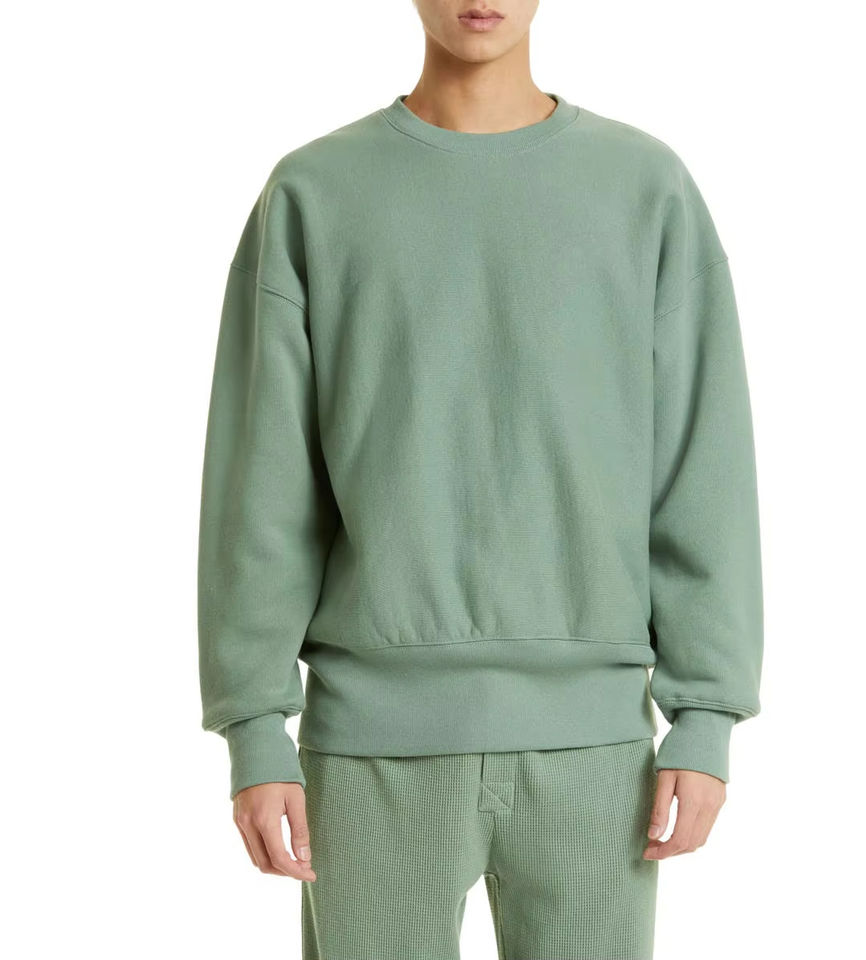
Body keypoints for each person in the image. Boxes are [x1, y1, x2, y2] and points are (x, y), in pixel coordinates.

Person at [196, 2, 764, 957]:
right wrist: (254, 726)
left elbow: (701, 462)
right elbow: (262, 485)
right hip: (370, 750)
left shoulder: (644, 187)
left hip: (596, 754)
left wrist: (707, 714)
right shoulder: (315, 192)